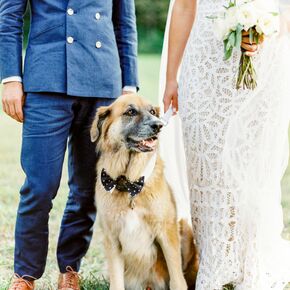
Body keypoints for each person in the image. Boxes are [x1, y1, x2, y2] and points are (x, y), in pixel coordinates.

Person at [0, 1, 138, 289]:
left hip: (103, 84)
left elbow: (124, 24)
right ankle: (25, 274)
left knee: (88, 188)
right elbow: (9, 18)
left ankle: (70, 268)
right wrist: (11, 78)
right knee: (39, 187)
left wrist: (129, 85)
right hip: (46, 81)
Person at [161, 0, 290, 289]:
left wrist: (265, 32)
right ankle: (215, 260)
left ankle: (249, 262)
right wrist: (172, 77)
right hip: (204, 61)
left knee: (251, 165)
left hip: (263, 62)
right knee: (207, 160)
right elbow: (183, 7)